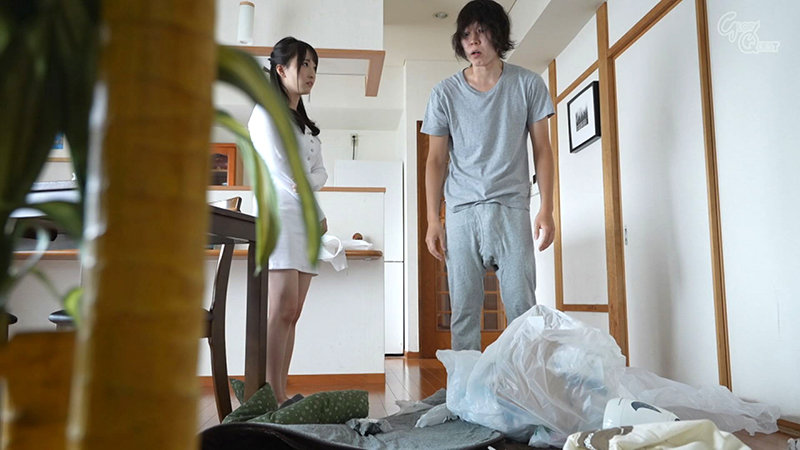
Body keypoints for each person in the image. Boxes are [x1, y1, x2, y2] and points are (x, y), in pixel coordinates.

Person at [422, 0, 556, 351]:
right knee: (464, 312)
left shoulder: (528, 84)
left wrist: (547, 208)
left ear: (499, 35)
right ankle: (464, 385)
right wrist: (433, 220)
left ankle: (523, 381)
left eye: (482, 32)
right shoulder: (444, 93)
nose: (473, 41)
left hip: (511, 207)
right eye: (466, 34)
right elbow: (435, 160)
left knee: (522, 307)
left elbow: (543, 149)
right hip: (461, 211)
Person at [248, 36, 327, 406]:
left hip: (304, 220)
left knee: (293, 313)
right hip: (279, 216)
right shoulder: (266, 114)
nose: (310, 72)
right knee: (280, 307)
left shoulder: (305, 127)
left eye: (314, 65)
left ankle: (279, 391)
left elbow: (320, 173)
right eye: (303, 64)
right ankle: (269, 394)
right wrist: (317, 212)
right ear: (280, 70)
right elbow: (285, 174)